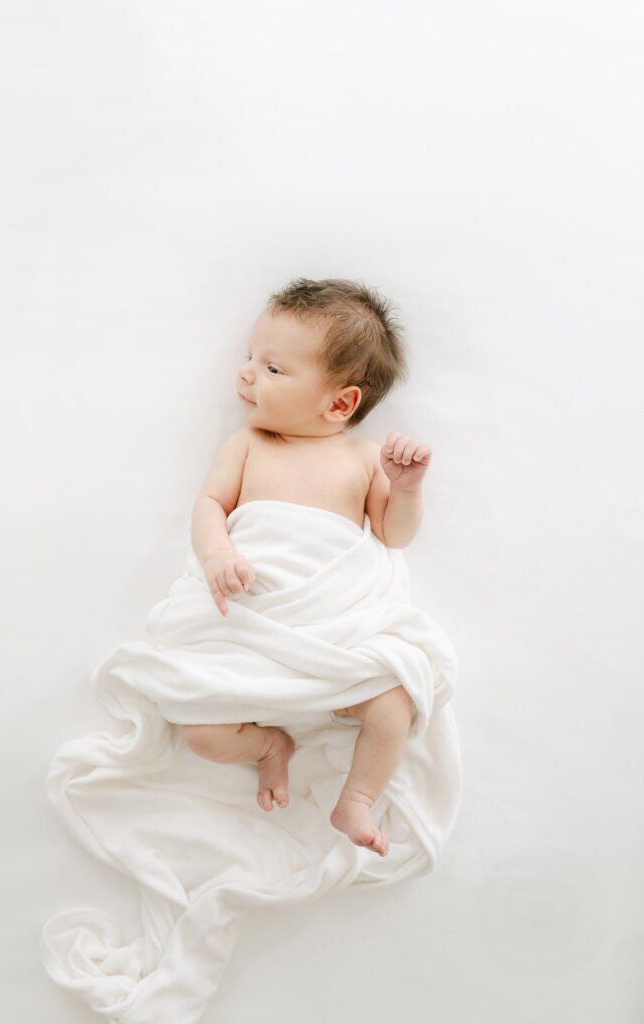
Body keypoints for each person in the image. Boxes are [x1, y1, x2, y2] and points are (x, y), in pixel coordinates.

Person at [182, 277, 433, 858]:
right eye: (250, 357)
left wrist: (407, 489)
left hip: (331, 632)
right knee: (200, 732)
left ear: (341, 403)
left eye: (273, 369)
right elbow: (209, 506)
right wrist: (218, 553)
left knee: (393, 704)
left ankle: (359, 798)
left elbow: (393, 536)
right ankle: (268, 745)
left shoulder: (364, 458)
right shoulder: (247, 445)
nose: (245, 372)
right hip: (253, 627)